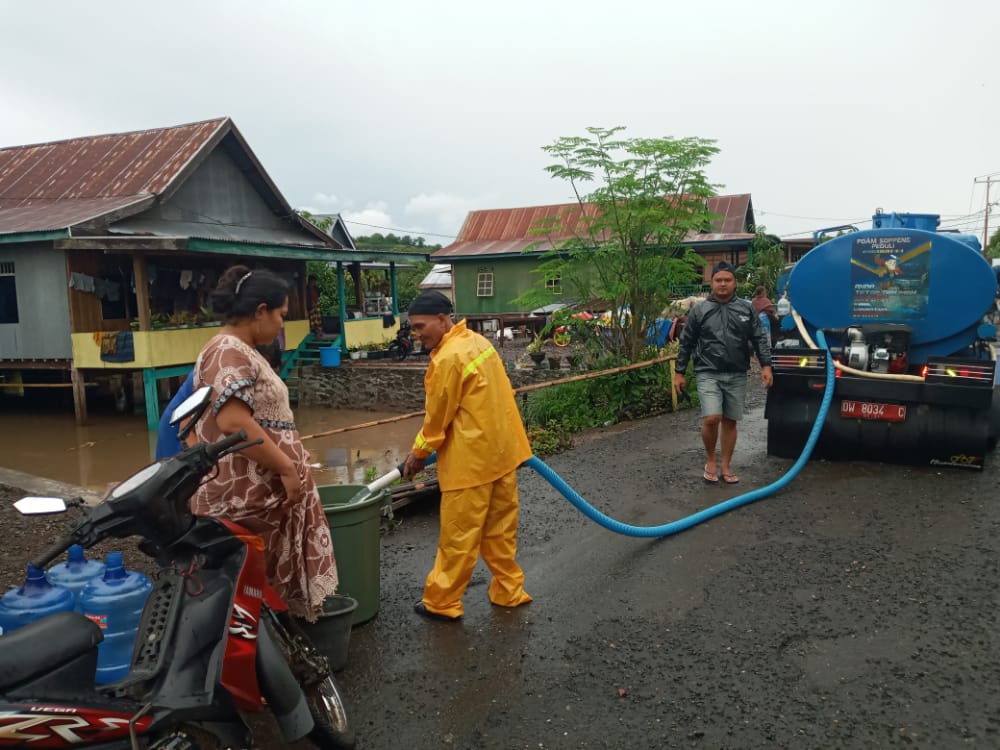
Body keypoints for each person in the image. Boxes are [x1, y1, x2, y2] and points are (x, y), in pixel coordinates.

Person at [189, 265, 338, 621]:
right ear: (260, 311)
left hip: (262, 491)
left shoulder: (239, 350)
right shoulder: (228, 350)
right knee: (251, 588)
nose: (283, 325)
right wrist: (286, 467)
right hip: (249, 495)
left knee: (260, 589)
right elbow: (232, 421)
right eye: (281, 315)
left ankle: (269, 649)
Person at [402, 290, 533, 621]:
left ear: (442, 320)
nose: (417, 334)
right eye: (413, 328)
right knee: (501, 532)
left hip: (470, 462)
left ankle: (442, 602)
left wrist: (418, 455)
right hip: (502, 454)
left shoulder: (448, 358)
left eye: (420, 326)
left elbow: (436, 420)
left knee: (458, 536)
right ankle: (509, 591)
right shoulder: (477, 342)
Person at [673, 261, 773, 486]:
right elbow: (686, 342)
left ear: (735, 283)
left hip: (737, 372)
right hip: (707, 370)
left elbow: (759, 338)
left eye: (727, 280)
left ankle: (726, 465)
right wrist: (679, 372)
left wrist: (766, 366)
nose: (723, 284)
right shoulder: (700, 310)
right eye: (718, 280)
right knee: (712, 417)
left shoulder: (746, 309)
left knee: (730, 421)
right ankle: (710, 459)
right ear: (712, 283)